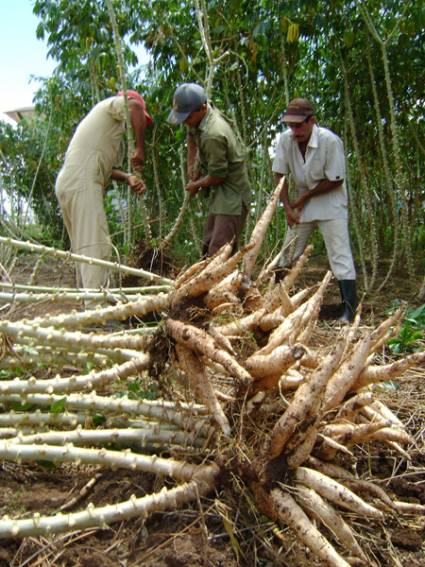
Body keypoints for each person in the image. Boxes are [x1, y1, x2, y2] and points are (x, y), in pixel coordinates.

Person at [55, 90, 152, 295]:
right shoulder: (112, 106)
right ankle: (96, 311)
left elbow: (108, 169)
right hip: (81, 181)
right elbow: (134, 107)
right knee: (95, 248)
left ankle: (89, 303)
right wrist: (140, 148)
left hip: (71, 182)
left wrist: (127, 177)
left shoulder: (110, 128)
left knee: (85, 248)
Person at [272, 98, 357, 322]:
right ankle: (273, 302)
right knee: (288, 252)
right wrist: (287, 207)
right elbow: (279, 174)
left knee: (339, 254)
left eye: (299, 125)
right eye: (290, 125)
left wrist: (305, 196)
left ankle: (348, 310)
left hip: (330, 201)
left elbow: (336, 180)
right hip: (302, 203)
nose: (294, 130)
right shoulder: (285, 141)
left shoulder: (330, 141)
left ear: (312, 121)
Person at [167, 83, 251, 257]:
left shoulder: (213, 134)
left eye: (187, 118)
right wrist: (191, 165)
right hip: (219, 194)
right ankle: (210, 282)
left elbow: (218, 175)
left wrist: (196, 184)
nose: (186, 122)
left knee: (219, 252)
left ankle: (225, 283)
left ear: (202, 108)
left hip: (232, 196)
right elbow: (190, 134)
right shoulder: (199, 114)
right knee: (208, 244)